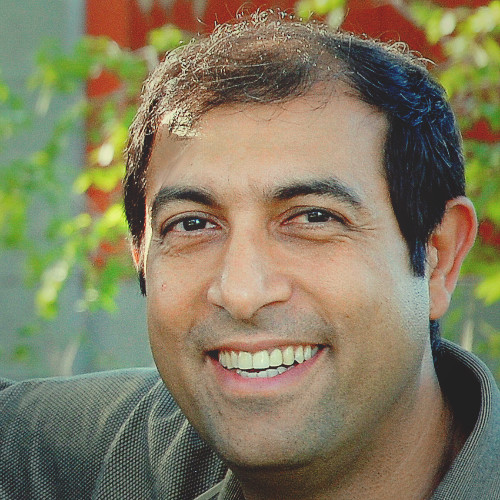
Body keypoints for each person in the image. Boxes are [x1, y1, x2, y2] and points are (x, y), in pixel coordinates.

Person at [1, 10, 499, 500]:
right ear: (141, 257)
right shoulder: (81, 457)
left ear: (438, 256)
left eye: (314, 218)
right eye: (192, 224)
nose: (242, 293)